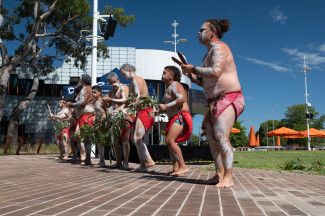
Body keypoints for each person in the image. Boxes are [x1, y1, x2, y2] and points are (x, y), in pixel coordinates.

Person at [181, 19, 245, 188]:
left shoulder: (219, 47)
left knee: (221, 136)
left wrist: (193, 68)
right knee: (211, 138)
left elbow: (216, 72)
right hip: (213, 101)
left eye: (202, 29)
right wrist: (189, 75)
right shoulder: (207, 54)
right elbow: (205, 82)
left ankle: (229, 177)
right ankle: (219, 174)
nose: (198, 32)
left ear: (212, 32)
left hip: (229, 97)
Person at [120, 63, 155, 171]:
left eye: (123, 73)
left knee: (136, 138)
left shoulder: (136, 79)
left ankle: (148, 161)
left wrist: (125, 110)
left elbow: (137, 98)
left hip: (145, 111)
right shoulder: (133, 82)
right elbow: (131, 100)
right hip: (142, 111)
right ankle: (143, 165)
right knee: (134, 138)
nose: (123, 76)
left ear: (129, 70)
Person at [159, 66, 193, 176]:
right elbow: (167, 107)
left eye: (164, 72)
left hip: (180, 116)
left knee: (170, 140)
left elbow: (182, 99)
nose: (162, 74)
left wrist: (166, 106)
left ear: (171, 76)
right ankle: (176, 168)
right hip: (173, 117)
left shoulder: (175, 84)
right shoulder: (169, 87)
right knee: (169, 142)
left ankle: (183, 166)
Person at [103, 72, 130, 169]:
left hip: (123, 115)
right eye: (109, 83)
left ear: (116, 78)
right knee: (115, 141)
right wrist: (105, 102)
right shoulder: (112, 91)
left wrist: (111, 100)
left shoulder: (123, 87)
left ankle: (126, 162)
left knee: (125, 140)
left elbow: (125, 100)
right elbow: (109, 105)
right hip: (113, 117)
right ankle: (118, 162)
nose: (111, 84)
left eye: (111, 82)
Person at [68, 74, 95, 165]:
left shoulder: (85, 89)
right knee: (86, 138)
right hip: (87, 115)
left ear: (83, 80)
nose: (79, 81)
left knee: (79, 136)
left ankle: (84, 157)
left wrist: (72, 104)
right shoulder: (90, 89)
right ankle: (87, 158)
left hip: (85, 115)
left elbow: (81, 102)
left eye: (80, 79)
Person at [92, 85, 107, 167]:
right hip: (97, 122)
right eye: (92, 92)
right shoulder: (94, 101)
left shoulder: (102, 101)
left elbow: (106, 112)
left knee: (101, 141)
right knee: (98, 141)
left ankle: (102, 161)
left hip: (102, 122)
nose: (93, 94)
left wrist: (102, 121)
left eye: (95, 92)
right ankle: (101, 160)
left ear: (100, 92)